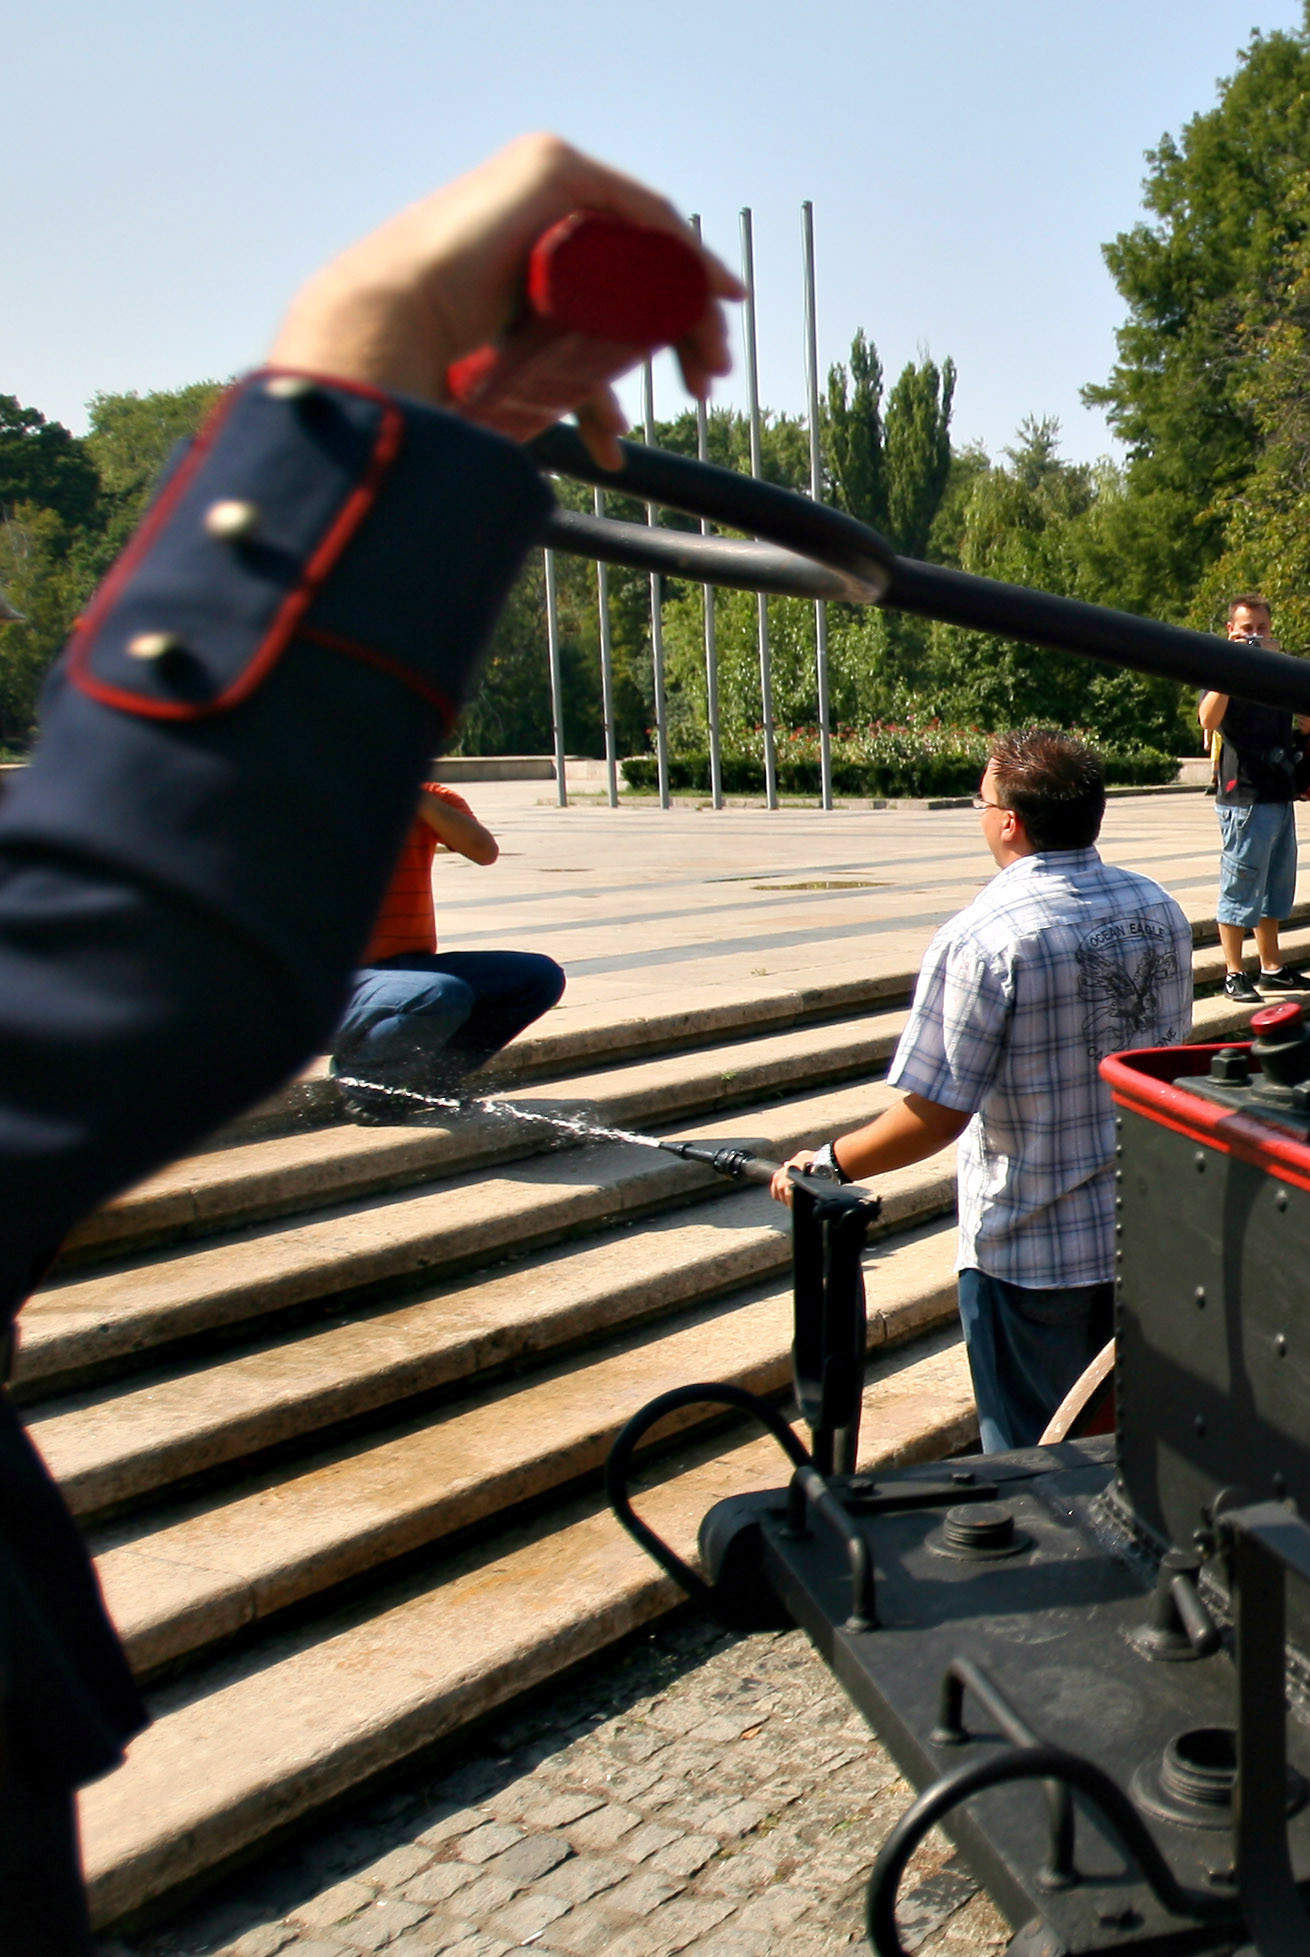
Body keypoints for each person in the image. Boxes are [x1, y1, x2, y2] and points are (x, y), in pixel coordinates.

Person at [0, 137, 736, 1950]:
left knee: (498, 972)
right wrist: (346, 401)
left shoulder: (393, 811)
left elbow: (427, 863)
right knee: (395, 1006)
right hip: (323, 986)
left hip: (356, 948)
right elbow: (142, 952)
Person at [774, 729, 1191, 1453]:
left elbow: (935, 1113)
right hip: (1143, 1233)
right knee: (1131, 1453)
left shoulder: (987, 936)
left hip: (1033, 1252)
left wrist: (832, 1163)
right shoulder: (1156, 908)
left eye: (983, 797)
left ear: (1008, 820)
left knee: (1036, 1468)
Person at [329, 781, 565, 1118]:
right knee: (438, 994)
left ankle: (431, 1077)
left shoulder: (429, 797)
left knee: (537, 977)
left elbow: (484, 851)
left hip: (406, 969)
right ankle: (366, 1081)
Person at [1198, 594, 1310, 1005]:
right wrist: (1230, 666)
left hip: (1278, 792)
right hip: (1243, 796)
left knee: (1275, 887)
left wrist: (1307, 724)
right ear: (1230, 631)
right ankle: (1234, 972)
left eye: (1261, 629)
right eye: (1246, 629)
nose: (1254, 636)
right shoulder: (1219, 667)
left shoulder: (1278, 672)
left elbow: (1298, 723)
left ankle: (1272, 968)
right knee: (1240, 886)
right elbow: (1207, 719)